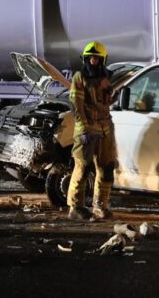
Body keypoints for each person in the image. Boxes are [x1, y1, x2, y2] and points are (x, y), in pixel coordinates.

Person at [67, 41, 118, 221]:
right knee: (83, 168)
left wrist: (115, 96)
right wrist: (85, 128)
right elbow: (76, 106)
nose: (93, 61)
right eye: (90, 58)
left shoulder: (107, 78)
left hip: (105, 129)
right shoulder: (79, 77)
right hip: (87, 130)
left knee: (107, 168)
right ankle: (75, 208)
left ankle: (100, 205)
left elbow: (106, 102)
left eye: (96, 58)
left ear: (103, 60)